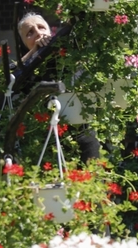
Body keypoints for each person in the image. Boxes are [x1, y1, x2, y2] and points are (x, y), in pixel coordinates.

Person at [16, 12, 101, 162]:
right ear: (24, 42)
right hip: (45, 139)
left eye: (41, 27)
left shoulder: (68, 48)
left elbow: (86, 28)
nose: (38, 33)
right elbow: (7, 80)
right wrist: (35, 52)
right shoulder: (25, 67)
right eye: (30, 33)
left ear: (49, 30)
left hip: (82, 133)